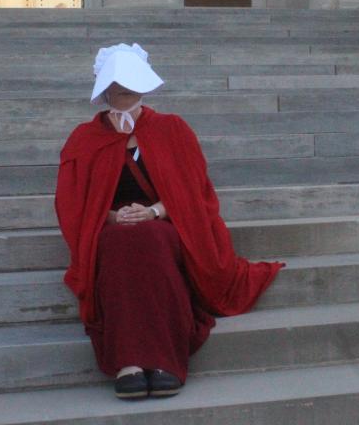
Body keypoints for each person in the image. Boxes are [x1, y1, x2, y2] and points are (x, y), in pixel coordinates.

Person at [55, 43, 284, 399]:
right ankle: (128, 361)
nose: (123, 91)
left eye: (130, 84)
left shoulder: (171, 129)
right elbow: (74, 202)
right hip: (111, 230)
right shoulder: (84, 139)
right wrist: (113, 216)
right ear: (105, 90)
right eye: (115, 86)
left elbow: (194, 191)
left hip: (164, 224)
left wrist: (153, 212)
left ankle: (164, 360)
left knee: (152, 241)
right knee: (120, 247)